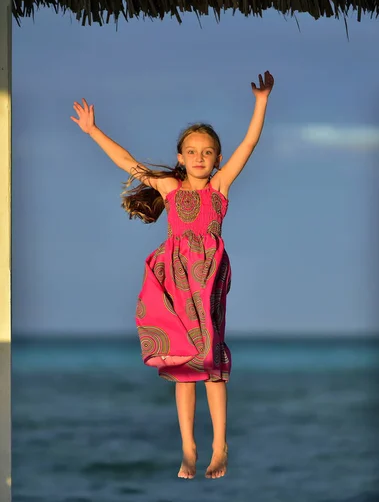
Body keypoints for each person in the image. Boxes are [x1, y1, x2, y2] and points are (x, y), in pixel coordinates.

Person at [71, 70, 274, 480]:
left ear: (217, 158)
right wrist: (93, 131)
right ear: (180, 157)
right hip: (175, 281)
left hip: (209, 280)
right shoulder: (168, 187)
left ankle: (219, 445)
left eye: (208, 152)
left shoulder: (220, 187)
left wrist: (261, 102)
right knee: (183, 364)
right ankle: (188, 446)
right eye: (192, 151)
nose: (200, 157)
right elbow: (128, 162)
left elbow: (250, 144)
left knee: (211, 363)